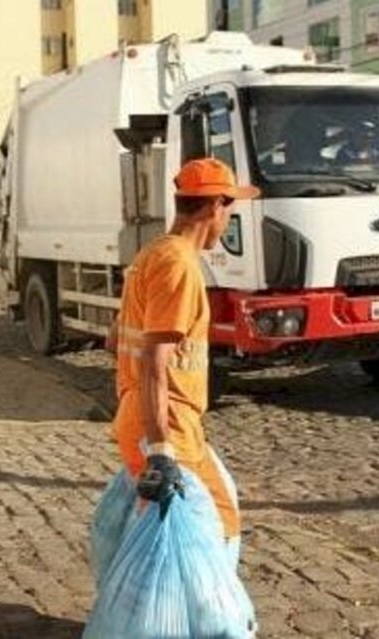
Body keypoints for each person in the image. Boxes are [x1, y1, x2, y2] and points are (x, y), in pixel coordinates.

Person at [114, 157, 259, 555]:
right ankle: (207, 616)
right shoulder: (179, 265)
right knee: (219, 526)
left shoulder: (153, 254)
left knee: (169, 535)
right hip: (168, 425)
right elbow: (153, 361)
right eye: (230, 207)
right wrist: (161, 449)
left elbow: (117, 340)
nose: (229, 218)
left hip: (145, 417)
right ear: (215, 206)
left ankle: (156, 613)